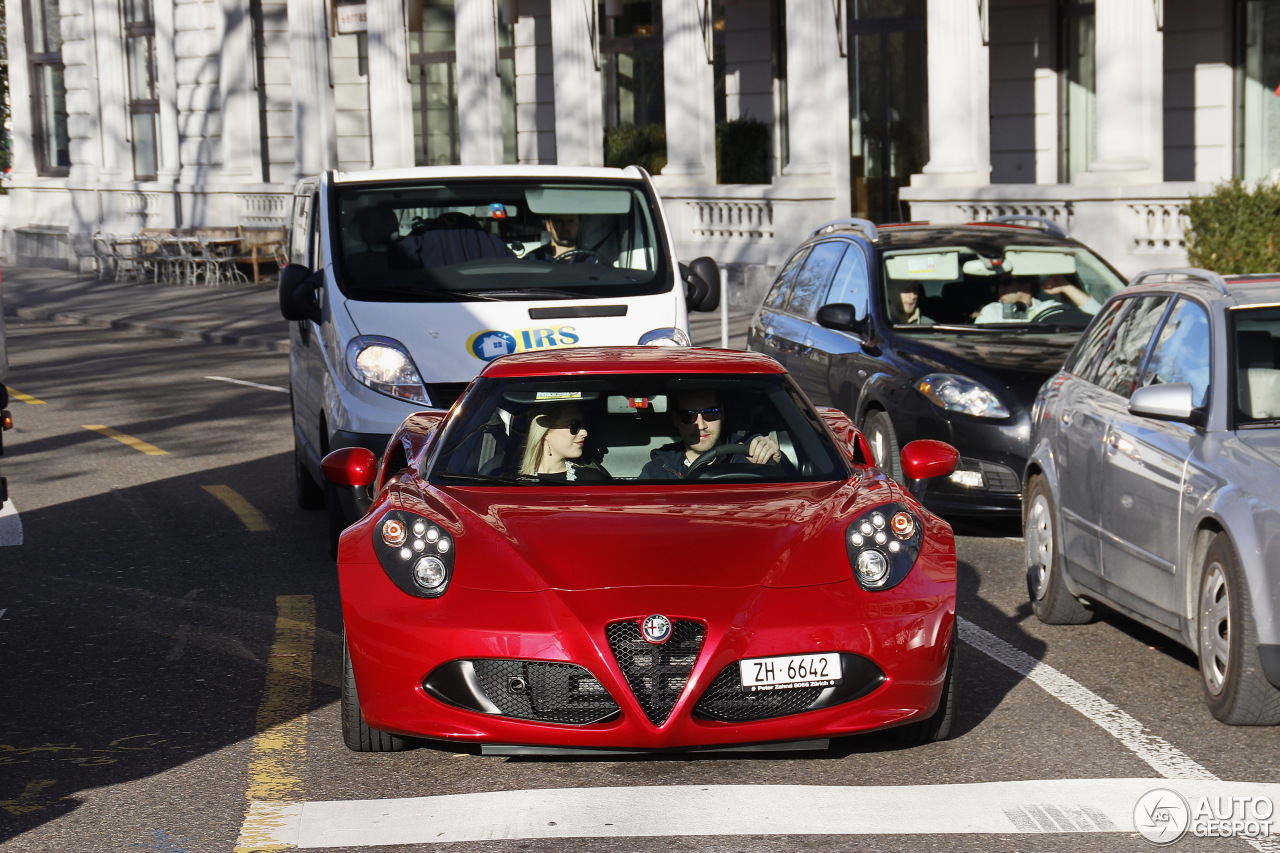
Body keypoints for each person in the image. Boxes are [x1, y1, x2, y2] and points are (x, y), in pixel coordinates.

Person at [639, 390, 784, 479]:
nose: (701, 426)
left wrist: (776, 465)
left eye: (710, 413)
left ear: (722, 413)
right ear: (676, 420)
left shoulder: (750, 458)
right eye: (688, 416)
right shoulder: (658, 471)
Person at [518, 401, 610, 482]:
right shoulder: (510, 482)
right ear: (545, 432)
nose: (584, 432)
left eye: (583, 425)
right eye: (573, 425)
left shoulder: (592, 480)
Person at [974, 274, 1100, 324]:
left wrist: (1066, 287)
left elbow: (1099, 318)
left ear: (1026, 286)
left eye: (1007, 283)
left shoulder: (1048, 307)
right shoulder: (992, 310)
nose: (1000, 288)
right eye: (998, 285)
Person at [527, 213, 593, 262]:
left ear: (579, 225)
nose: (565, 227)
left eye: (570, 221)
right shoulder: (533, 261)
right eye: (558, 221)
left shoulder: (590, 261)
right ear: (548, 225)